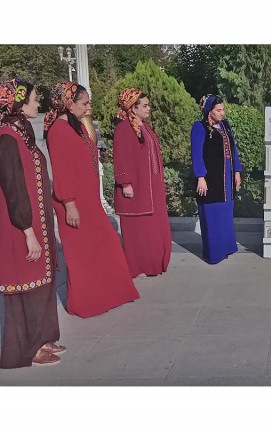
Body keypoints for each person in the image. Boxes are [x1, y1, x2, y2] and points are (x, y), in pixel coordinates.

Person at [44, 81, 139, 318]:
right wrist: (69, 204)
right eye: (84, 103)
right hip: (74, 202)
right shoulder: (58, 130)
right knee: (82, 256)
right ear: (69, 104)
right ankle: (84, 303)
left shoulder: (77, 126)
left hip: (88, 200)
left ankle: (106, 297)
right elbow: (62, 170)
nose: (88, 107)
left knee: (104, 247)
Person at [0, 78, 65, 367]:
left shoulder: (21, 131)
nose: (38, 104)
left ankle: (41, 338)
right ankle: (25, 350)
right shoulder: (7, 138)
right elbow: (13, 188)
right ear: (19, 102)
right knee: (24, 288)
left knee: (41, 283)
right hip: (20, 226)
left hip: (36, 223)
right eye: (34, 99)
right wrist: (27, 231)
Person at [113, 88, 171, 278]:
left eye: (148, 105)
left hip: (151, 187)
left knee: (152, 229)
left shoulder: (144, 127)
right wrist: (125, 183)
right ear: (133, 108)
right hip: (136, 188)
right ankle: (138, 267)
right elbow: (121, 157)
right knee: (138, 230)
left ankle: (154, 264)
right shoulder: (123, 128)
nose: (148, 108)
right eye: (144, 106)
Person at [190, 95, 242, 264]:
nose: (222, 113)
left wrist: (237, 171)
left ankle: (226, 248)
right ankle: (214, 253)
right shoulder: (200, 127)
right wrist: (200, 177)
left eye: (223, 109)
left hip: (227, 178)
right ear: (208, 111)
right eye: (218, 110)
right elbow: (197, 154)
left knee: (225, 214)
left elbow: (233, 150)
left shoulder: (225, 125)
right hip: (211, 178)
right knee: (212, 214)